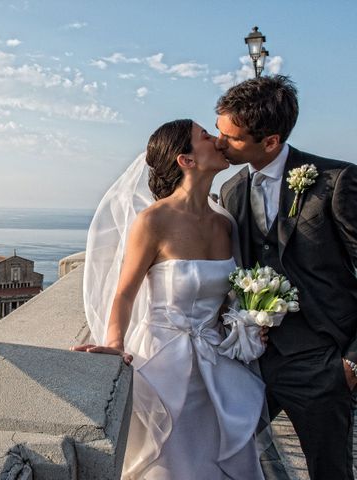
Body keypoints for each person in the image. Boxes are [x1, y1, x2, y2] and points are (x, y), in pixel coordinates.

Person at [75, 119, 266, 479]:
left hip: (216, 367)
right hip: (162, 367)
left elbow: (228, 300)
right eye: (206, 137)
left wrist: (249, 327)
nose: (218, 140)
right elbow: (124, 293)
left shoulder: (224, 224)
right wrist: (114, 344)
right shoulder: (153, 221)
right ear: (186, 160)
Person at [217, 75, 357, 480]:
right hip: (251, 363)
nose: (220, 143)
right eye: (219, 131)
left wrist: (351, 363)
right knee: (224, 456)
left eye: (232, 137)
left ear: (271, 141)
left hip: (321, 362)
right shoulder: (231, 190)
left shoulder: (336, 181)